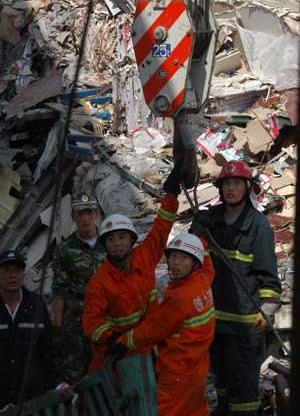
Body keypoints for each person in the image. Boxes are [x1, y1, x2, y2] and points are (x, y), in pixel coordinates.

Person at [189, 160, 282, 416]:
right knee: (221, 389)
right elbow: (189, 261)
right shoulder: (213, 221)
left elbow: (270, 281)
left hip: (244, 327)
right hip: (214, 325)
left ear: (247, 187)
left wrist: (266, 312)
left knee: (243, 395)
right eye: (227, 183)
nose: (231, 188)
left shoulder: (257, 225)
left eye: (236, 183)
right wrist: (195, 232)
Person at [82, 162, 183, 371]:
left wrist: (171, 197)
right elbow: (91, 323)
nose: (117, 243)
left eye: (121, 237)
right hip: (118, 358)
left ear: (131, 240)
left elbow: (162, 227)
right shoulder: (99, 283)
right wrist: (112, 338)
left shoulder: (144, 256)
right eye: (111, 240)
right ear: (105, 245)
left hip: (148, 349)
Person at [111, 233, 215, 416]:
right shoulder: (203, 282)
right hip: (197, 371)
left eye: (183, 258)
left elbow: (153, 330)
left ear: (194, 264)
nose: (176, 263)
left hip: (176, 375)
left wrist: (124, 342)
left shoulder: (179, 298)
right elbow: (208, 267)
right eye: (173, 256)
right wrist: (202, 240)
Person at [51, 190, 106, 384]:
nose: (85, 218)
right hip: (76, 321)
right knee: (75, 373)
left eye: (89, 213)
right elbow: (59, 289)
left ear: (96, 214)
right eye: (80, 214)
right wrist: (58, 325)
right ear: (73, 216)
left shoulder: (109, 245)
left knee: (106, 370)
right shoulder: (65, 250)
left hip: (105, 318)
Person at [0, 250, 59, 410]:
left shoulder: (36, 305)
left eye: (17, 270)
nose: (12, 275)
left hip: (32, 396)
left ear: (23, 274)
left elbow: (47, 350)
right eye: (7, 270)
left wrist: (51, 386)